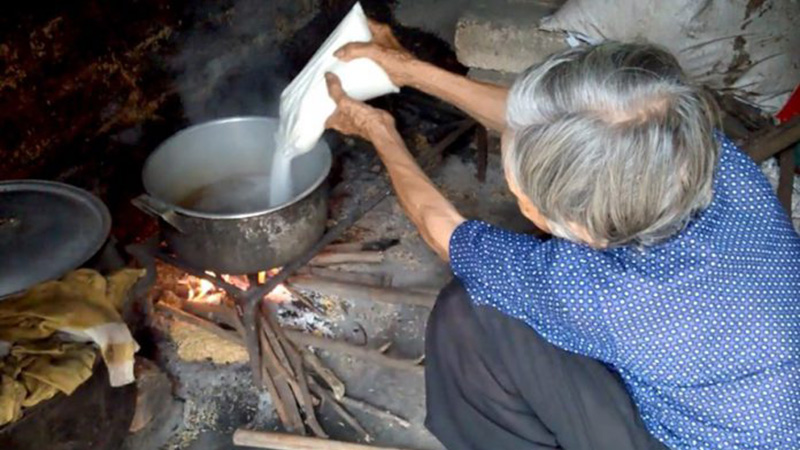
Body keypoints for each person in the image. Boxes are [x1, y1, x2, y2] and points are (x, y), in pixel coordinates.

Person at [323, 21, 800, 450]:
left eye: (520, 190)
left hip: (706, 440)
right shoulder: (688, 146)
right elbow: (550, 122)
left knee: (469, 313)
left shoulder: (599, 295)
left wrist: (379, 130)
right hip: (761, 394)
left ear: (584, 232)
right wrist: (407, 70)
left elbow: (443, 231)